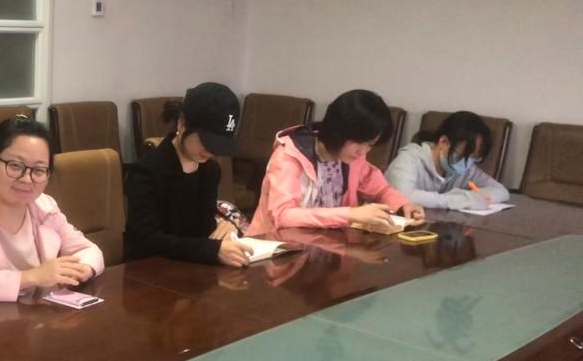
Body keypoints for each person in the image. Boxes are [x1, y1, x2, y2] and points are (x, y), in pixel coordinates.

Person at [0, 115, 104, 302]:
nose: (26, 179)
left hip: (39, 314)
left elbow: (89, 251)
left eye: (38, 170)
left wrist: (82, 269)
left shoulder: (44, 206)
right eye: (15, 166)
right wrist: (31, 277)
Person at [246, 89, 424, 237]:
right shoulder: (289, 156)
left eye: (370, 144)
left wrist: (403, 205)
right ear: (338, 131)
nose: (363, 151)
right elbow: (282, 216)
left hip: (324, 247)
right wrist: (351, 214)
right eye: (358, 142)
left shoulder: (354, 160)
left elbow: (381, 190)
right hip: (273, 248)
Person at [124, 82, 252, 266]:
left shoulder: (210, 171)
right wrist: (212, 250)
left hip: (192, 269)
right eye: (206, 141)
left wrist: (223, 229)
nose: (210, 151)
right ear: (182, 124)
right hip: (148, 270)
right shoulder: (146, 171)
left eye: (218, 145)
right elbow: (148, 240)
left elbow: (202, 231)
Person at [385, 111, 510, 210]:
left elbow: (501, 191)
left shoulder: (465, 168)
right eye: (463, 155)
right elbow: (403, 196)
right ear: (443, 142)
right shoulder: (409, 159)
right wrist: (461, 200)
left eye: (474, 158)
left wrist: (465, 198)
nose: (467, 163)